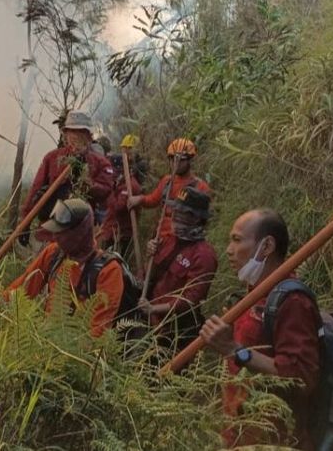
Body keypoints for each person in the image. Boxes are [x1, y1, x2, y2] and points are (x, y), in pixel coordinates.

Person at [199, 209, 321, 450]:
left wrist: (234, 350)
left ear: (266, 247)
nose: (229, 250)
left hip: (273, 439)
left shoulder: (293, 302)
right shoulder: (253, 294)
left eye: (236, 240)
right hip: (239, 431)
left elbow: (301, 378)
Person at [0, 199, 133, 337]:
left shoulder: (109, 272)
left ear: (78, 234)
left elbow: (96, 334)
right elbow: (20, 291)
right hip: (46, 341)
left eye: (61, 233)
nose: (55, 237)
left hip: (74, 356)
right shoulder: (54, 254)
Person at [137, 187, 218, 353]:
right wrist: (150, 255)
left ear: (196, 218)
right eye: (175, 211)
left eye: (183, 213)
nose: (175, 216)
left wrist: (154, 308)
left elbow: (190, 300)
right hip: (150, 321)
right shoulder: (167, 239)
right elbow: (149, 277)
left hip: (175, 331)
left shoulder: (204, 256)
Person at [19, 111, 114, 245]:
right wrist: (25, 224)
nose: (75, 137)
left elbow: (106, 192)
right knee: (42, 264)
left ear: (88, 135)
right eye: (71, 132)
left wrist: (88, 185)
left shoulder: (99, 162)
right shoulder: (52, 158)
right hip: (49, 233)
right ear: (65, 134)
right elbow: (35, 190)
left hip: (79, 235)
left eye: (80, 132)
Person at [128, 138, 210, 277]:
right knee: (149, 276)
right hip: (159, 240)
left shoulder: (200, 188)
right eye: (172, 159)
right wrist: (140, 199)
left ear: (190, 160)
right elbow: (153, 200)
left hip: (182, 242)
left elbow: (202, 222)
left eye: (180, 160)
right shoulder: (167, 181)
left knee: (170, 277)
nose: (175, 163)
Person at [96, 152, 142, 259]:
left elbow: (118, 207)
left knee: (111, 264)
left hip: (120, 235)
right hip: (111, 231)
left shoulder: (130, 186)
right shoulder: (120, 183)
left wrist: (110, 190)